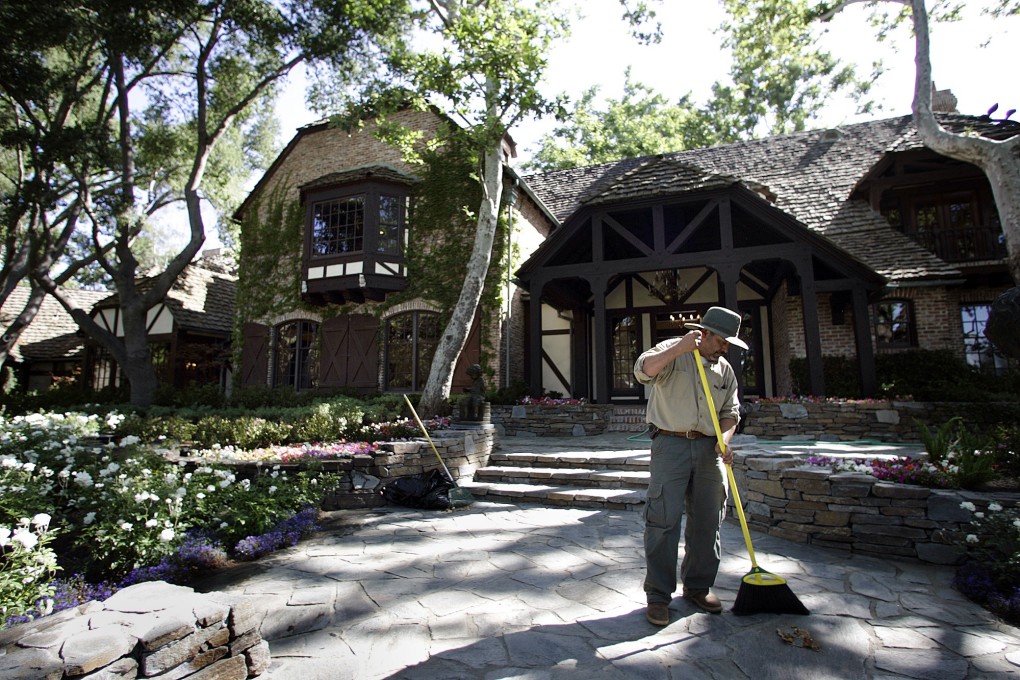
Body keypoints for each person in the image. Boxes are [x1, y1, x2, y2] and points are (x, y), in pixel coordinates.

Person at [632, 306, 747, 626]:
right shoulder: (673, 352)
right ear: (705, 334)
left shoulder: (725, 370)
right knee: (663, 519)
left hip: (710, 450)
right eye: (723, 341)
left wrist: (725, 438)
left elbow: (731, 412)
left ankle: (698, 586)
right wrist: (680, 347)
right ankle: (658, 595)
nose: (726, 348)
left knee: (709, 520)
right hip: (670, 445)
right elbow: (644, 371)